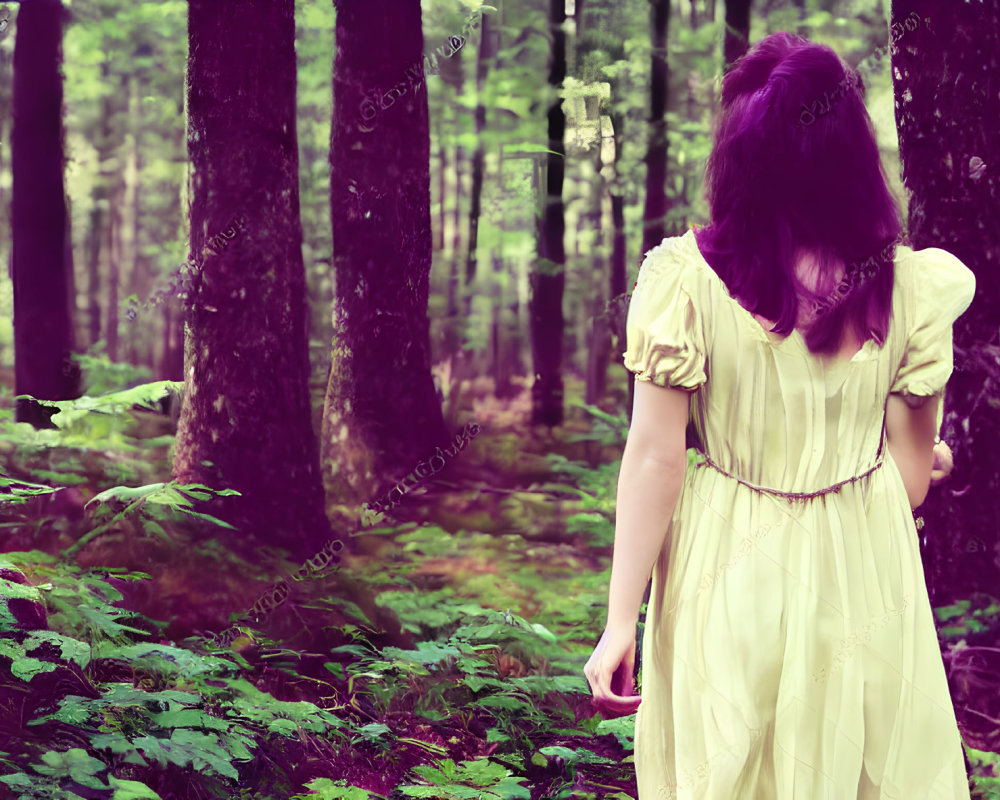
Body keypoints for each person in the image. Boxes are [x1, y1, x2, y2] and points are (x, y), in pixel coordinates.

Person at [583, 32, 976, 799]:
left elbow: (656, 459)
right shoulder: (908, 289)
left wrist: (619, 620)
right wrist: (936, 459)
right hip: (859, 566)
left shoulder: (685, 280)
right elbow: (907, 482)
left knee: (727, 768)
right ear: (851, 153)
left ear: (740, 152)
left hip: (723, 564)